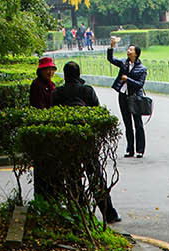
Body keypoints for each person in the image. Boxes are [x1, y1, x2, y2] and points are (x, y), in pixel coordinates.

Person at [51, 60, 120, 223]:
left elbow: (52, 112)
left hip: (67, 140)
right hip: (87, 140)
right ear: (79, 74)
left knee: (73, 176)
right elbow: (97, 111)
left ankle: (79, 211)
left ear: (65, 75)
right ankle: (108, 213)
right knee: (95, 175)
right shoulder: (87, 91)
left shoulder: (58, 93)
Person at [107, 35, 148, 157]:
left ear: (136, 54)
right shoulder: (123, 63)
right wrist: (111, 47)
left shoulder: (142, 69)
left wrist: (127, 79)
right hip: (123, 96)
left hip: (135, 97)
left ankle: (140, 150)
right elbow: (111, 59)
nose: (128, 51)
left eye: (131, 50)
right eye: (128, 49)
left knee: (138, 123)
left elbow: (140, 84)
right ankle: (130, 149)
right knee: (127, 123)